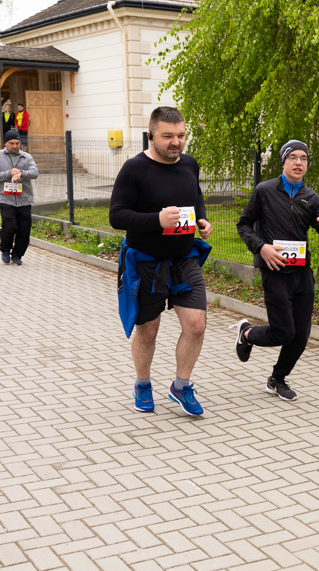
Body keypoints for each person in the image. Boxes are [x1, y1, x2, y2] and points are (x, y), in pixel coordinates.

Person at [109, 106, 213, 416]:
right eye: (167, 136)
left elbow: (195, 196)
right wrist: (157, 220)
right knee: (148, 330)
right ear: (150, 136)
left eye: (181, 136)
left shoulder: (190, 165)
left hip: (184, 259)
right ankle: (142, 383)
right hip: (145, 263)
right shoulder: (134, 169)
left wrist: (202, 220)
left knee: (196, 325)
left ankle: (181, 386)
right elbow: (117, 216)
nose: (176, 142)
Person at [232, 140, 319, 401]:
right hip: (275, 270)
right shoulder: (265, 191)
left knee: (301, 334)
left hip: (302, 273)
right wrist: (261, 248)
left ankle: (277, 379)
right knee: (284, 332)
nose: (298, 163)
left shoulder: (311, 198)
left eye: (303, 158)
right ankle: (247, 333)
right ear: (283, 162)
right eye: (293, 157)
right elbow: (244, 224)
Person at [0, 130, 39, 265]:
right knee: (9, 226)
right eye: (11, 143)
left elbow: (34, 172)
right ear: (5, 143)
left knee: (24, 228)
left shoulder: (26, 157)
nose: (15, 146)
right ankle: (5, 249)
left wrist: (21, 174)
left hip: (24, 198)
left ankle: (17, 254)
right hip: (5, 198)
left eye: (17, 143)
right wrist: (8, 173)